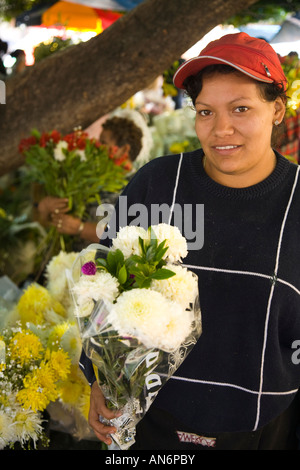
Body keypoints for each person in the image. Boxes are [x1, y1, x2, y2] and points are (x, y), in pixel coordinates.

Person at [79, 32, 300, 450]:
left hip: (258, 428)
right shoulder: (158, 184)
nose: (221, 129)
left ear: (276, 109)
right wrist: (98, 374)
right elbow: (98, 276)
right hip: (148, 421)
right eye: (205, 112)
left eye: (241, 109)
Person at [37, 111, 151, 243]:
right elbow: (56, 221)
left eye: (103, 142)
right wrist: (45, 208)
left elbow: (129, 236)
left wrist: (81, 228)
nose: (96, 147)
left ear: (124, 149)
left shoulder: (138, 185)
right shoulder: (90, 177)